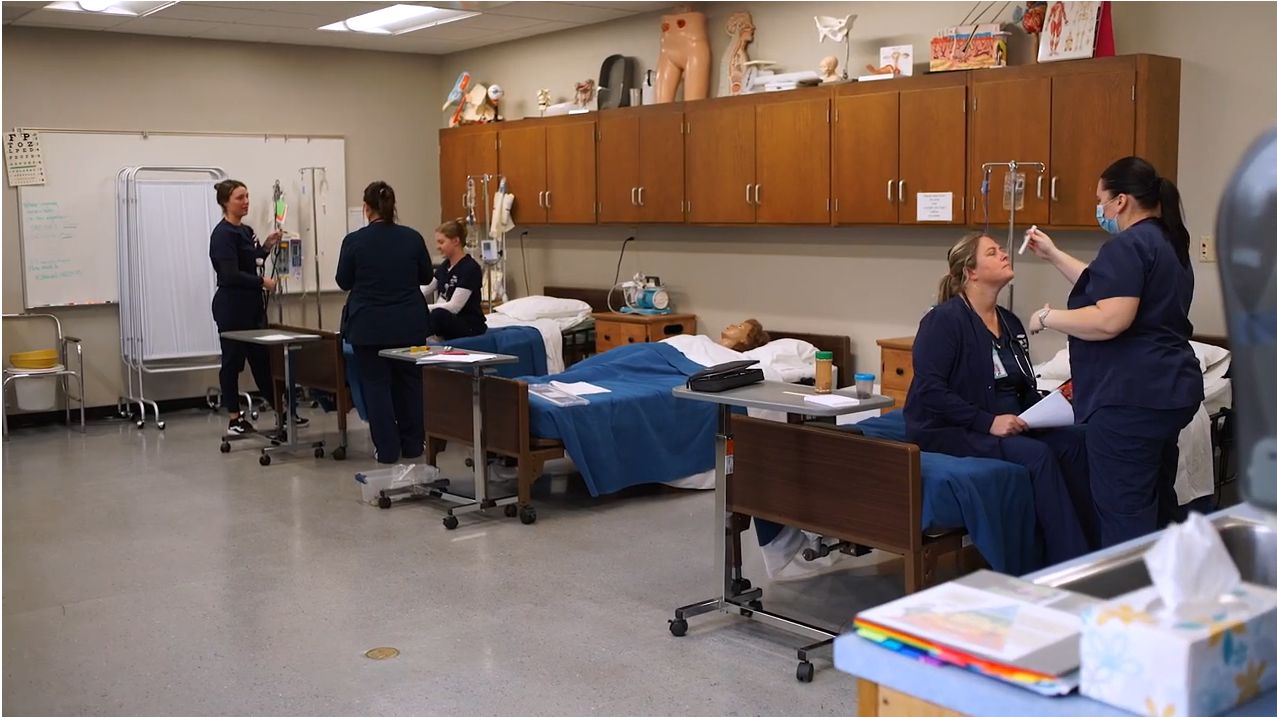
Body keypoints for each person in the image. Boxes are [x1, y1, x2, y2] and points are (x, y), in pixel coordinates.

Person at [1024, 156, 1203, 547]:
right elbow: (1106, 284)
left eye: (1100, 200)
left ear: (1121, 201)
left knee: (1124, 512)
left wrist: (1050, 316)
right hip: (1167, 392)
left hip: (1130, 399)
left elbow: (1111, 319)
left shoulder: (1129, 245)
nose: (1099, 210)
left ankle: (1127, 601)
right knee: (1154, 502)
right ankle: (1164, 594)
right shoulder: (1168, 243)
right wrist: (1054, 255)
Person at [906, 232, 1096, 565]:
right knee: (1037, 455)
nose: (1005, 255)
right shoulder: (944, 321)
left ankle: (1097, 547)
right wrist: (988, 422)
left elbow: (1020, 383)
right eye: (992, 252)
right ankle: (1067, 562)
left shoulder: (1009, 323)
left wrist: (1049, 407)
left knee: (1077, 441)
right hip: (949, 428)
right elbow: (929, 391)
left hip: (1005, 421)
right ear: (971, 272)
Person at [336, 181, 433, 464]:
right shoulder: (412, 238)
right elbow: (426, 277)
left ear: (366, 209)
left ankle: (387, 450)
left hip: (369, 327)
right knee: (410, 383)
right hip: (409, 325)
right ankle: (414, 445)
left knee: (376, 386)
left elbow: (343, 281)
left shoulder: (354, 241)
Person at [209, 179, 305, 435]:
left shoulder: (245, 231)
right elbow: (230, 274)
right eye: (240, 198)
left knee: (263, 361)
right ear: (225, 202)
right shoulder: (222, 235)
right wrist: (262, 282)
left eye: (247, 196)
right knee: (232, 362)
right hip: (232, 307)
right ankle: (234, 418)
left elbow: (254, 260)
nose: (246, 202)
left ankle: (283, 412)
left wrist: (265, 246)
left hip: (252, 307)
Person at [421, 219, 487, 340]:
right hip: (449, 320)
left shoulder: (470, 268)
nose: (438, 247)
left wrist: (423, 308)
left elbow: (454, 307)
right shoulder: (445, 266)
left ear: (456, 241)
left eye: (441, 242)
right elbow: (425, 289)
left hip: (469, 325)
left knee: (437, 315)